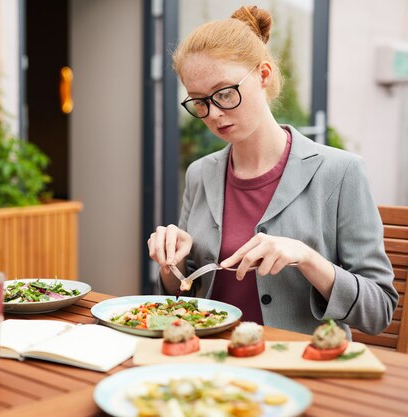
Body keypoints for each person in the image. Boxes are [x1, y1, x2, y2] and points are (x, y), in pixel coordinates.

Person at [147, 5, 398, 337]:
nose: (214, 114)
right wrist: (172, 265)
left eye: (224, 93)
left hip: (296, 366)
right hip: (209, 360)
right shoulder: (200, 174)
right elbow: (186, 296)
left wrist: (308, 258)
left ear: (263, 75)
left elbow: (379, 310)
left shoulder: (340, 172)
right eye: (200, 101)